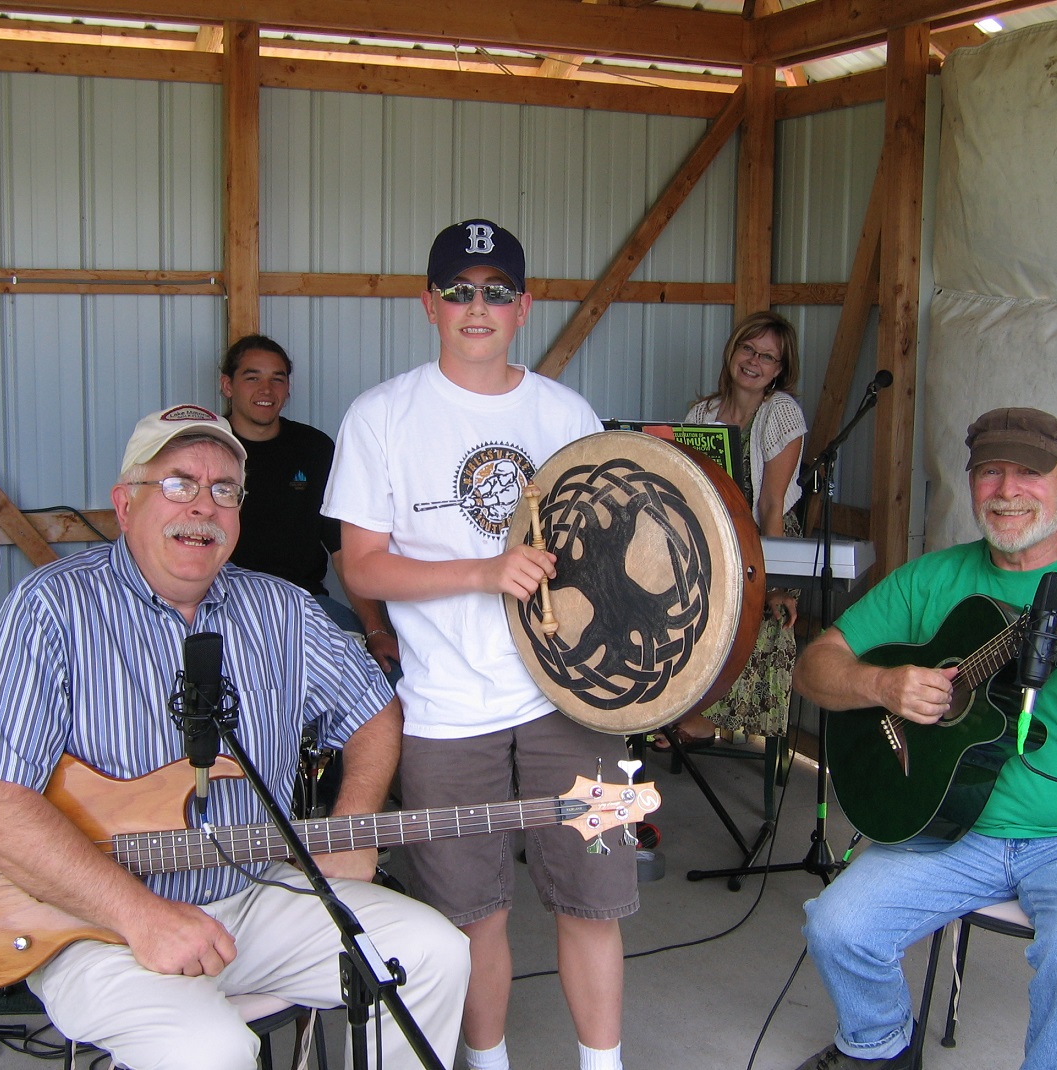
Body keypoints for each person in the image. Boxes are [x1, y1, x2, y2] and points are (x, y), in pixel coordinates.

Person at [0, 404, 469, 1070]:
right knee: (210, 1050)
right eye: (178, 483)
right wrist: (140, 916)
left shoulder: (283, 609)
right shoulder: (50, 608)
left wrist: (354, 820)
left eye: (224, 490)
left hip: (253, 891)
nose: (203, 506)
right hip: (93, 924)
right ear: (125, 505)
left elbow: (374, 709)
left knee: (435, 953)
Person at [324, 219, 637, 1070]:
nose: (477, 306)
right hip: (444, 707)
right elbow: (362, 565)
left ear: (524, 308)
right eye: (458, 290)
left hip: (570, 699)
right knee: (471, 914)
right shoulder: (380, 416)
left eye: (497, 291)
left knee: (594, 898)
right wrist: (485, 570)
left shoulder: (565, 413)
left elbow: (606, 552)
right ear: (427, 304)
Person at [790, 406, 1057, 1070]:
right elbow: (813, 667)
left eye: (1029, 474)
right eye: (990, 473)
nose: (1006, 491)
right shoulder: (931, 579)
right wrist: (882, 686)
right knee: (837, 926)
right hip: (955, 831)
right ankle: (880, 1045)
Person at [657, 310, 807, 749]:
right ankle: (672, 705)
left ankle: (709, 721)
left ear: (779, 369)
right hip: (712, 542)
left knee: (756, 616)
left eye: (767, 356)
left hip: (763, 541)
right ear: (733, 351)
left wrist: (775, 584)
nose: (754, 361)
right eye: (748, 349)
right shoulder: (701, 413)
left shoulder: (780, 413)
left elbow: (772, 504)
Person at [219, 334, 400, 678]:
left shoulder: (313, 448)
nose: (266, 389)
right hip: (223, 606)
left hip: (306, 604)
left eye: (277, 379)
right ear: (228, 385)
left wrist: (375, 630)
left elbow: (343, 549)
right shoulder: (207, 446)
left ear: (288, 389)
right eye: (252, 377)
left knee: (387, 676)